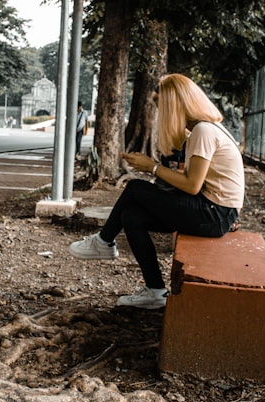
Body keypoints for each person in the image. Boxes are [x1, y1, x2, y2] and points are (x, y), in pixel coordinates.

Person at [69, 73, 245, 309]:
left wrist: (151, 167)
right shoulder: (204, 129)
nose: (162, 115)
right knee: (131, 215)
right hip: (213, 211)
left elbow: (192, 186)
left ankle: (103, 241)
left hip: (214, 214)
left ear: (176, 105)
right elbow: (192, 182)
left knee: (134, 187)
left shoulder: (204, 131)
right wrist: (152, 170)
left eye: (164, 108)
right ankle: (155, 291)